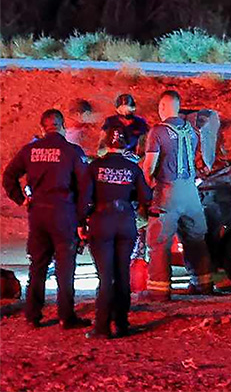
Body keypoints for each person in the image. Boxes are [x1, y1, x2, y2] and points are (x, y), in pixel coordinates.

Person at [2, 109, 91, 329]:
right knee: (65, 267)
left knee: (38, 265)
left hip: (39, 214)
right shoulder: (72, 152)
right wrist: (82, 220)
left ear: (42, 128)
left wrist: (21, 199)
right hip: (64, 213)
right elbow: (85, 187)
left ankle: (33, 315)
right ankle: (66, 316)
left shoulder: (30, 151)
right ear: (62, 127)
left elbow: (8, 176)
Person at [140, 90, 215, 301]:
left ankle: (159, 290)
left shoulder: (157, 132)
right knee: (195, 238)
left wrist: (146, 191)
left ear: (162, 107)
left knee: (159, 241)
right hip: (191, 193)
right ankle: (203, 284)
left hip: (167, 192)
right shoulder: (190, 131)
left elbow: (149, 167)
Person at [80, 127, 152, 339]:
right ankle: (121, 323)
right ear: (126, 145)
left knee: (105, 276)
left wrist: (80, 224)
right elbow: (146, 196)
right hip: (125, 222)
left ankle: (101, 327)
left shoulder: (95, 167)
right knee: (122, 275)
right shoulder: (132, 168)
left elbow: (84, 199)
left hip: (102, 222)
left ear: (105, 145)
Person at [98, 94, 149, 159]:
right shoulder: (110, 122)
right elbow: (100, 149)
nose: (124, 114)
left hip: (130, 159)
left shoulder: (139, 123)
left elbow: (143, 148)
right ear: (117, 110)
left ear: (133, 109)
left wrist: (135, 158)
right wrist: (112, 150)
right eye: (121, 111)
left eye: (128, 111)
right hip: (111, 158)